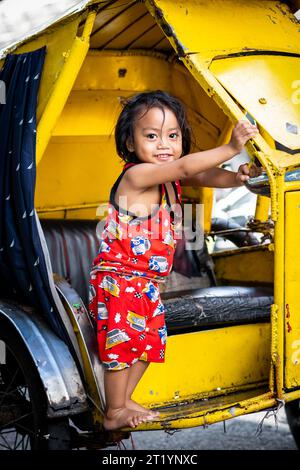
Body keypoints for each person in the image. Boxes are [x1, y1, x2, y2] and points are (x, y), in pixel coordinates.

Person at [88, 90, 260, 431]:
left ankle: (124, 401)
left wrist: (236, 177)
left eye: (172, 136)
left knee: (149, 344)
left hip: (147, 283)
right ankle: (113, 411)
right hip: (119, 278)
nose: (163, 144)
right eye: (151, 136)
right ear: (130, 141)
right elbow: (185, 165)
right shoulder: (136, 176)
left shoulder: (168, 179)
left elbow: (204, 176)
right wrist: (229, 148)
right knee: (123, 347)